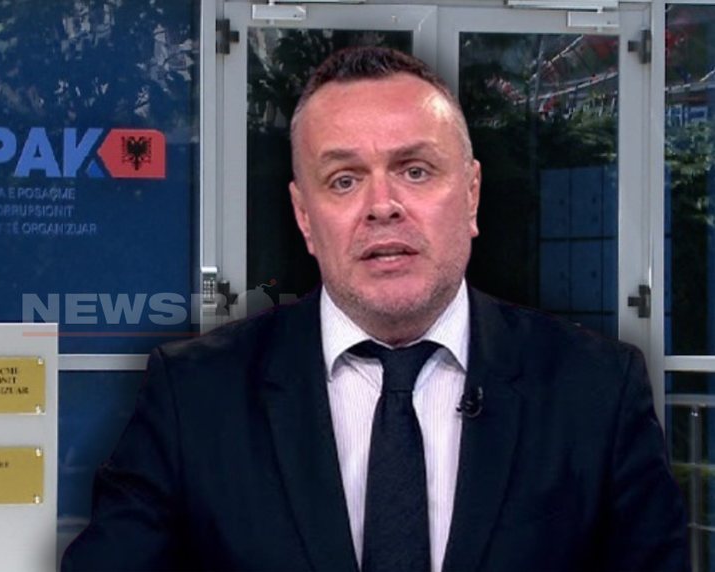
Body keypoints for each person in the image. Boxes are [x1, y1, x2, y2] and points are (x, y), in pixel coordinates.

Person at [62, 47, 688, 572]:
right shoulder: (195, 396)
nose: (382, 205)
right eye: (344, 179)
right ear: (305, 217)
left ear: (471, 195)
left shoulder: (596, 391)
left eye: (415, 171)